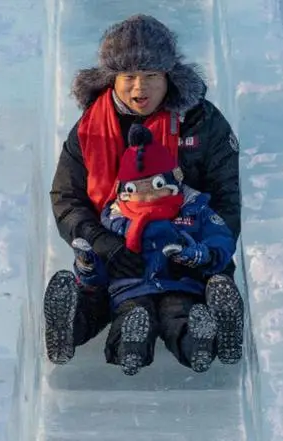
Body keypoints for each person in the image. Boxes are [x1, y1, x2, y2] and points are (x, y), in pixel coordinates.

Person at [44, 13, 243, 368]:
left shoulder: (203, 122)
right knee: (108, 295)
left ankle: (210, 329)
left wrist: (207, 256)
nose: (140, 88)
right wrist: (102, 241)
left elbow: (226, 198)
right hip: (116, 245)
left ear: (169, 77)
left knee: (182, 306)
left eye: (151, 76)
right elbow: (67, 198)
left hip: (187, 245)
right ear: (112, 79)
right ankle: (69, 326)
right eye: (129, 77)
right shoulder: (91, 129)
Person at [64, 123, 242, 375]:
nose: (146, 197)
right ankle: (130, 349)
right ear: (124, 191)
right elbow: (104, 269)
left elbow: (220, 238)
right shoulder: (114, 221)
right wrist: (88, 265)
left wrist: (197, 254)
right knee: (133, 316)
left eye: (155, 186)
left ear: (173, 181)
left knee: (179, 316)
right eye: (136, 190)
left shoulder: (194, 211)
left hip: (181, 284)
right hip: (131, 288)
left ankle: (200, 345)